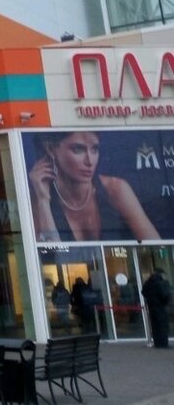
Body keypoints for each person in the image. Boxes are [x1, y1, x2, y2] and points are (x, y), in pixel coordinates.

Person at [29, 131, 158, 242]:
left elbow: (156, 245)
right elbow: (51, 253)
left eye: (94, 149)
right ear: (51, 149)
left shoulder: (115, 189)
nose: (90, 161)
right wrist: (43, 201)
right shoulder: (38, 196)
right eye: (78, 149)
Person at [142, 268, 171, 349]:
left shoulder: (148, 282)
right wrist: (166, 301)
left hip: (151, 306)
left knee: (155, 326)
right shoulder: (160, 282)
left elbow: (143, 291)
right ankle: (163, 343)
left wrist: (149, 299)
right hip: (160, 306)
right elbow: (164, 294)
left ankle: (157, 343)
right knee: (162, 325)